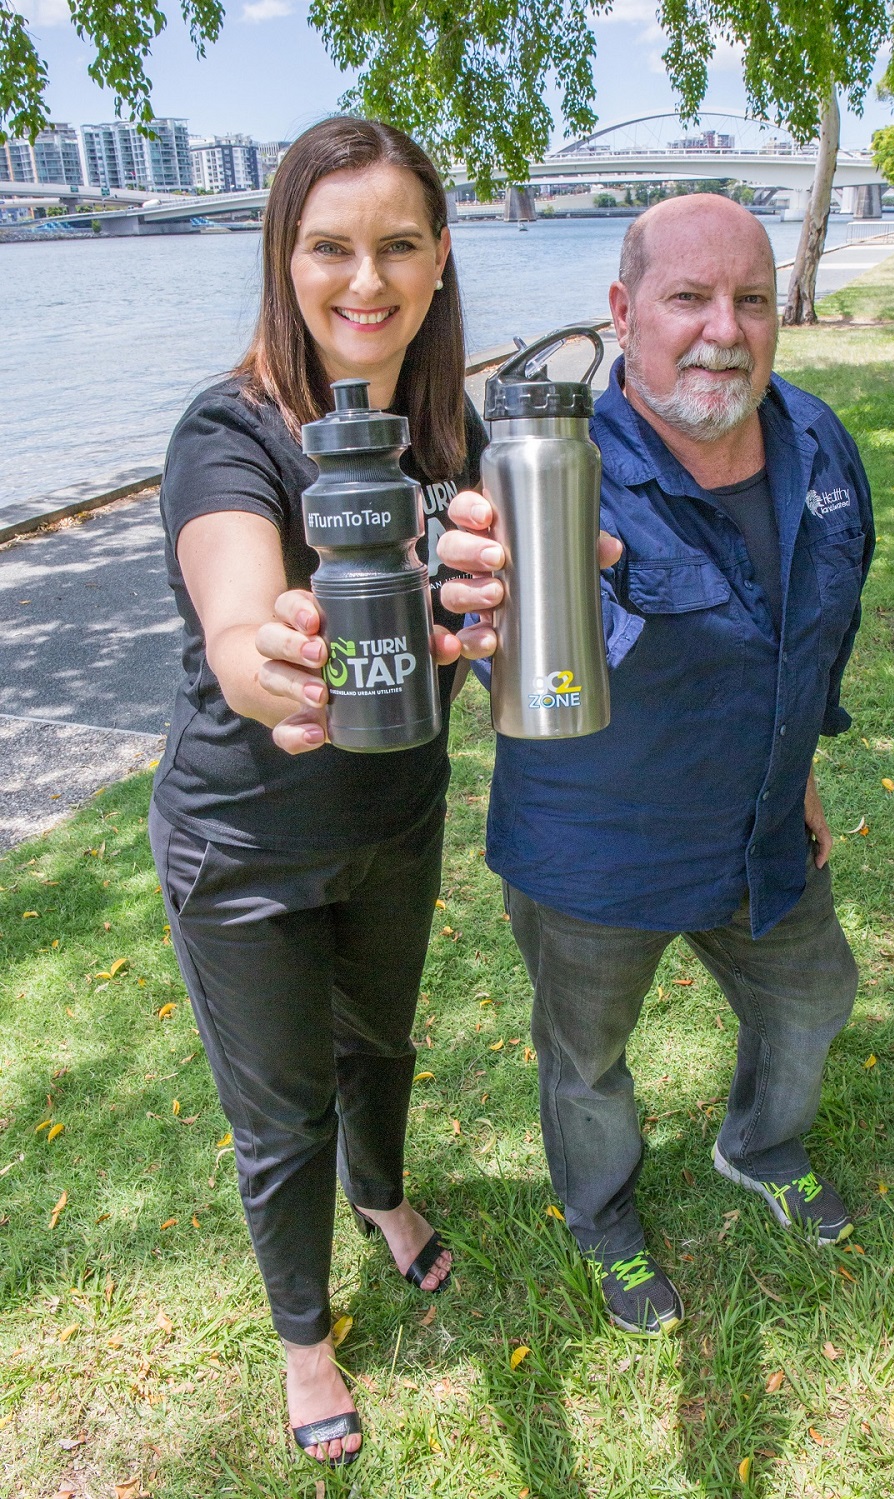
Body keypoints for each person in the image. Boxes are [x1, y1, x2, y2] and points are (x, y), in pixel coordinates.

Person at [438, 194, 875, 1337]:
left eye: (749, 299)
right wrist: (502, 594)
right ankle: (601, 1215)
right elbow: (501, 638)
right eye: (687, 298)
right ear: (624, 312)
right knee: (585, 1061)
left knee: (816, 993)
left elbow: (823, 622)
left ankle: (758, 1141)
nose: (722, 330)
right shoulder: (550, 469)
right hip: (596, 853)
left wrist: (807, 764)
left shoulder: (820, 442)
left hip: (758, 827)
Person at [149, 116, 489, 1467]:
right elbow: (237, 616)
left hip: (394, 824)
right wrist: (267, 658)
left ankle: (387, 1195)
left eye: (398, 243)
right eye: (330, 247)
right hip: (246, 847)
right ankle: (304, 1335)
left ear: (440, 254)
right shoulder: (227, 430)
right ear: (282, 261)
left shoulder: (446, 433)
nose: (367, 279)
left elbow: (488, 616)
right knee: (281, 1111)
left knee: (383, 1046)